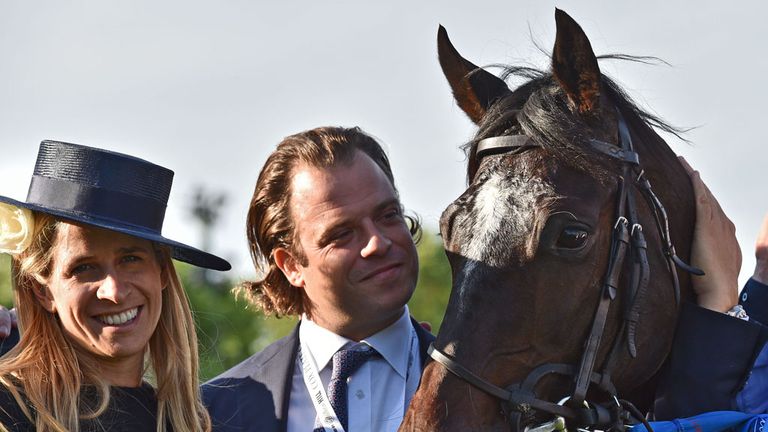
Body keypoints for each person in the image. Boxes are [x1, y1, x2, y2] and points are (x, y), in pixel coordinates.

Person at [201, 127, 434, 432]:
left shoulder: (498, 388)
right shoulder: (213, 413)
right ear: (291, 266)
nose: (378, 242)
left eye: (388, 215)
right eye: (341, 234)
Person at [0, 140, 230, 431]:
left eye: (130, 259)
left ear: (161, 272)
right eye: (83, 268)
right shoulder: (8, 409)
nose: (115, 291)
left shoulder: (191, 423)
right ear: (42, 290)